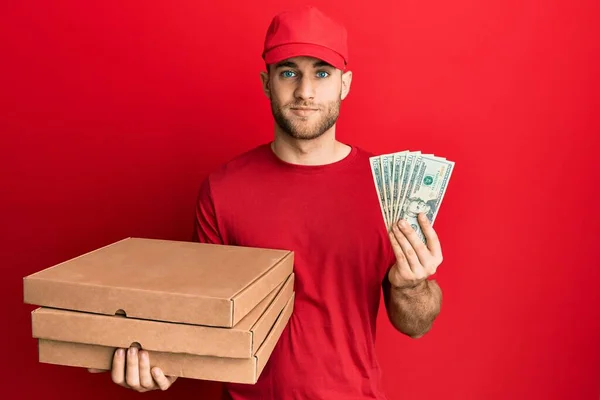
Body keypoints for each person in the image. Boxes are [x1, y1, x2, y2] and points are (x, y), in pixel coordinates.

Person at [90, 5, 445, 399]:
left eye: (321, 73)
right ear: (266, 82)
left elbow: (416, 325)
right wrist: (163, 364)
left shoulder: (387, 189)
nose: (305, 91)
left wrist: (412, 286)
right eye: (289, 71)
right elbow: (205, 318)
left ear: (345, 84)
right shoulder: (222, 190)